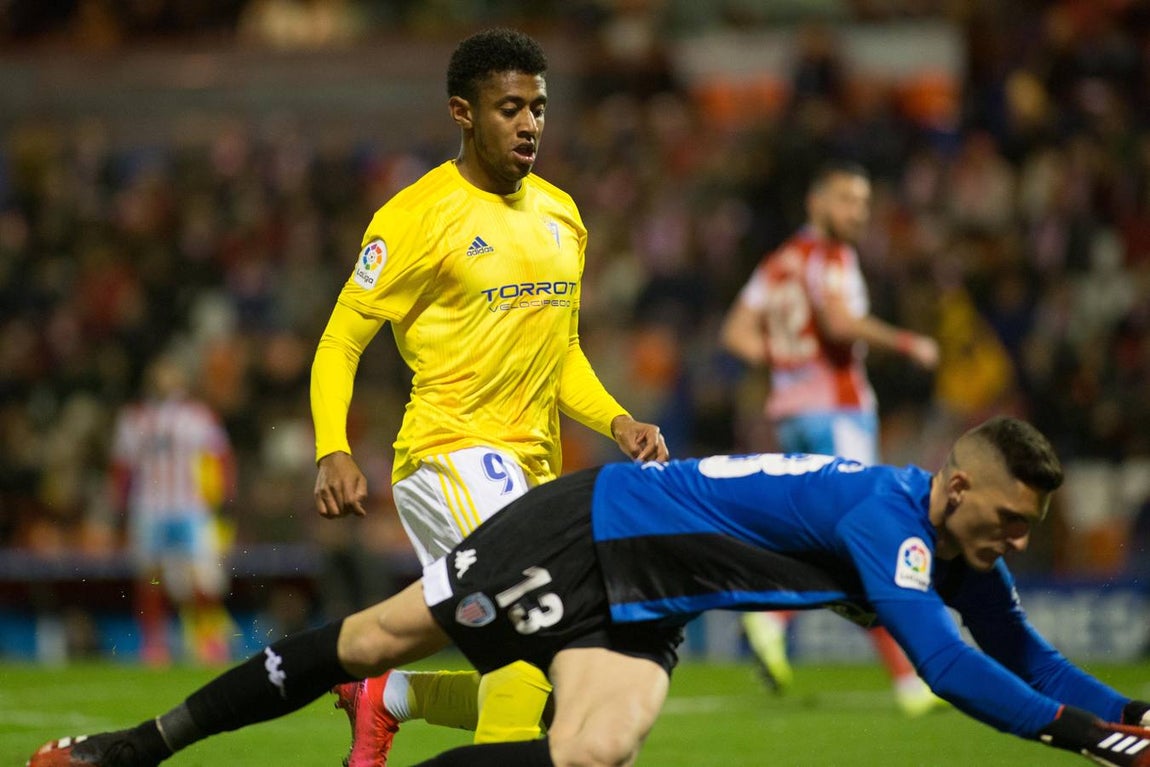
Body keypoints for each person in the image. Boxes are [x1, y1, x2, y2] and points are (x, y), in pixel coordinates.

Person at [29, 416, 1150, 767]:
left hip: (652, 596)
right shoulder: (887, 521)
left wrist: (1128, 715)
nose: (1008, 541)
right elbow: (952, 668)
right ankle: (131, 746)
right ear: (957, 484)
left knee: (592, 755)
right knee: (373, 637)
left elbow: (1027, 654)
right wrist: (1092, 747)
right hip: (588, 527)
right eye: (1004, 517)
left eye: (1022, 530)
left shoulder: (957, 543)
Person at [308, 27, 667, 766]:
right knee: (531, 647)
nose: (530, 122)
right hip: (450, 454)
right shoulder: (415, 217)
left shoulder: (562, 215)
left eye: (538, 106)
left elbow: (560, 352)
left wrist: (618, 419)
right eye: (510, 108)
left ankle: (387, 695)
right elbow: (341, 340)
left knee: (567, 686)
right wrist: (332, 447)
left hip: (531, 467)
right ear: (462, 112)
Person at [720, 159, 943, 714]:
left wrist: (784, 366)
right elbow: (842, 325)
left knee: (829, 539)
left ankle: (906, 682)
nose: (859, 214)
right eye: (848, 200)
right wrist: (909, 343)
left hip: (792, 413)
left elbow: (735, 333)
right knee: (870, 536)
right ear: (816, 202)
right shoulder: (831, 256)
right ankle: (774, 617)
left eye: (864, 203)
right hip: (839, 412)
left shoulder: (778, 263)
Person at [109, 353, 236, 667]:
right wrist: (119, 509)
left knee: (201, 577)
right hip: (149, 509)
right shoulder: (133, 417)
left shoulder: (198, 416)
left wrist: (223, 501)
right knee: (151, 579)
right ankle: (154, 643)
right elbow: (123, 467)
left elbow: (220, 458)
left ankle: (208, 637)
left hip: (191, 508)